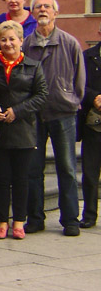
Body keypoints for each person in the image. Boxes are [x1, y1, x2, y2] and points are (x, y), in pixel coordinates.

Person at [22, 0, 85, 237]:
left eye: (47, 6)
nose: (42, 10)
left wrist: (71, 99)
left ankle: (70, 219)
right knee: (33, 169)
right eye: (38, 7)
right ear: (34, 13)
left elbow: (80, 79)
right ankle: (35, 218)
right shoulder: (27, 44)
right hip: (35, 114)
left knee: (67, 167)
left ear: (56, 13)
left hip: (63, 113)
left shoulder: (69, 43)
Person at [0, 21, 48, 240]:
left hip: (24, 129)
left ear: (21, 41)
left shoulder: (34, 66)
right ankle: (2, 221)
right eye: (3, 40)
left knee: (21, 178)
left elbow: (42, 95)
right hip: (0, 130)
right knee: (2, 178)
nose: (8, 43)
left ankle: (19, 221)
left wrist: (18, 110)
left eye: (12, 39)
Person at [81, 21, 101, 229]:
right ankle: (89, 215)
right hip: (93, 123)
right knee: (90, 172)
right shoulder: (88, 56)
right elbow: (79, 84)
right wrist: (94, 96)